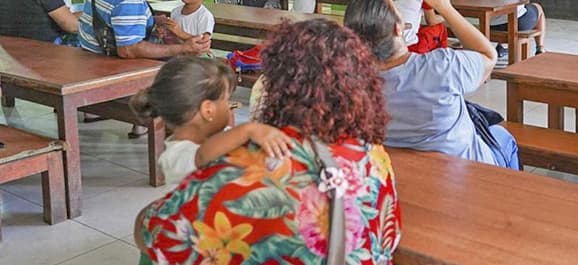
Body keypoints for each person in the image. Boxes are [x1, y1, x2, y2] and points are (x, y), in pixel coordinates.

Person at [136, 19, 400, 265]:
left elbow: (156, 235)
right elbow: (389, 236)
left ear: (275, 85)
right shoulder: (374, 157)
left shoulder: (240, 173)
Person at [346, 0, 520, 170]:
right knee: (503, 137)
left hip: (400, 172)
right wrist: (446, 8)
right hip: (464, 171)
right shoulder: (442, 66)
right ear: (398, 27)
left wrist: (378, 2)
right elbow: (489, 56)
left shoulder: (350, 82)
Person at [78, 0, 211, 137]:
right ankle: (170, 122)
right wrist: (183, 48)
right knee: (186, 68)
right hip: (114, 60)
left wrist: (150, 20)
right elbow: (128, 49)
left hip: (93, 54)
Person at [130, 57, 293, 185]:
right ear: (208, 110)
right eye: (226, 100)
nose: (229, 106)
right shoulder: (175, 156)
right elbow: (202, 156)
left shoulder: (216, 139)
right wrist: (248, 129)